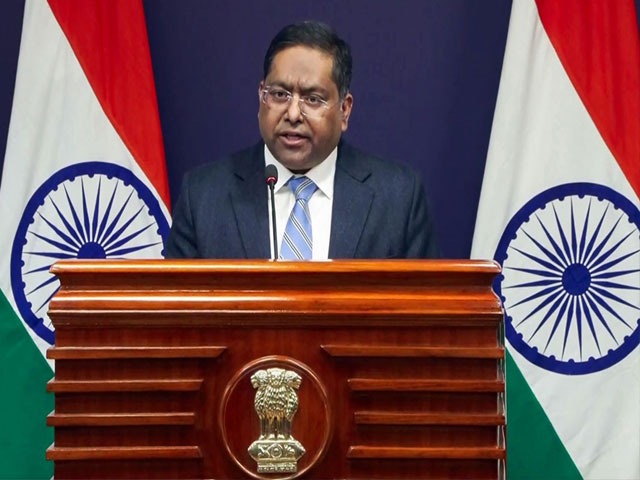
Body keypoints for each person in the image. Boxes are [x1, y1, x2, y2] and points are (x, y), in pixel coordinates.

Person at [164, 21, 439, 259]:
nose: (293, 114)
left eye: (313, 99)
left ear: (344, 110)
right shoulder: (203, 196)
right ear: (261, 97)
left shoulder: (398, 198)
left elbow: (424, 301)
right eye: (279, 95)